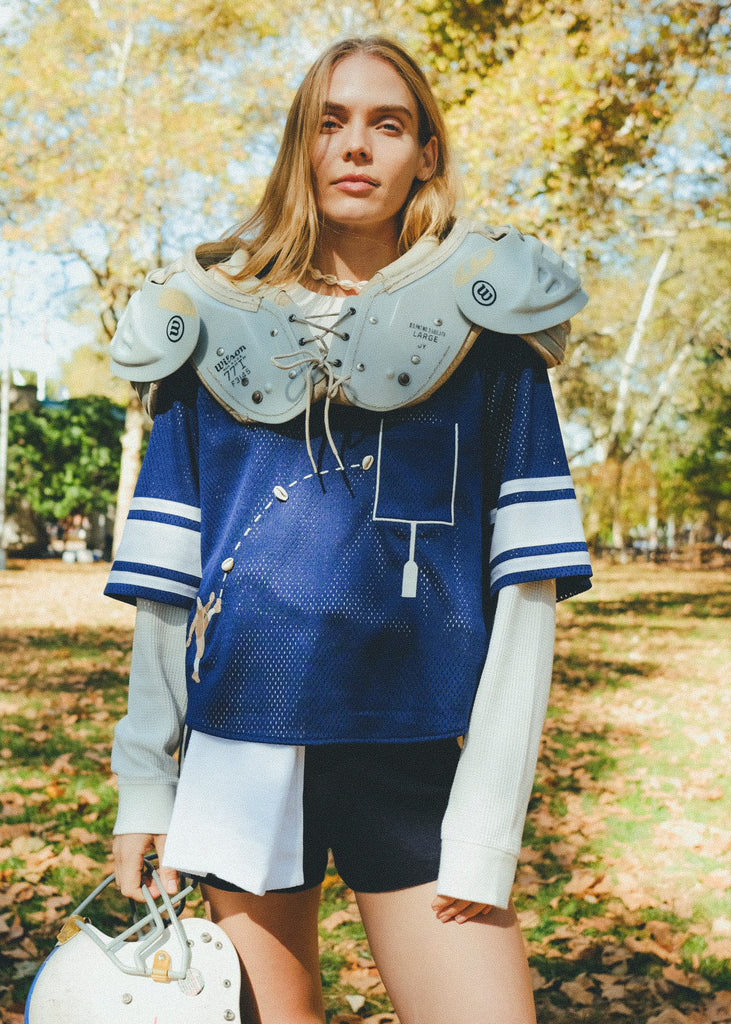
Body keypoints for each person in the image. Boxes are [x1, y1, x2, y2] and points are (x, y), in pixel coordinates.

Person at [104, 35, 592, 1024]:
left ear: (426, 154)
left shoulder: (492, 337)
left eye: (387, 122)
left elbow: (527, 596)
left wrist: (489, 823)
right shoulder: (202, 330)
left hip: (414, 748)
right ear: (300, 147)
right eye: (330, 122)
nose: (356, 146)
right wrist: (144, 786)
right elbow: (166, 587)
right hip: (242, 746)